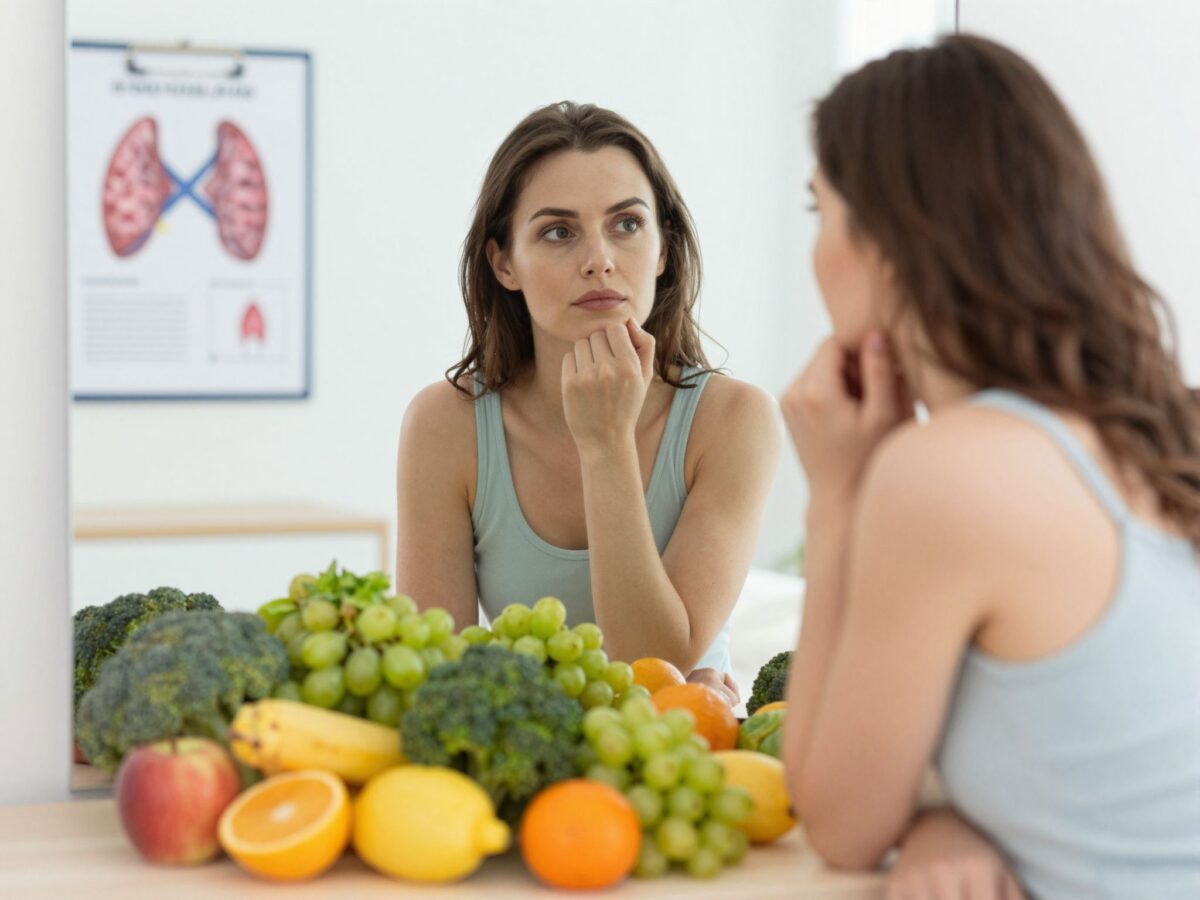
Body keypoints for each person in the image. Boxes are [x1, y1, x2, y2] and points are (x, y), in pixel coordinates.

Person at [779, 34, 1200, 900]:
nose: (817, 252)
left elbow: (842, 822)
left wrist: (836, 498)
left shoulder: (946, 476)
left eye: (821, 213)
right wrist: (943, 815)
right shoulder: (1166, 428)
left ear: (891, 241)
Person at [394, 102, 780, 704]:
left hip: (679, 765)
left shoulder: (734, 421)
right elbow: (435, 683)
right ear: (503, 263)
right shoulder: (445, 426)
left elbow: (653, 665)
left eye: (626, 224)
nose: (599, 258)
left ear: (663, 250)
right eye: (558, 231)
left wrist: (605, 444)